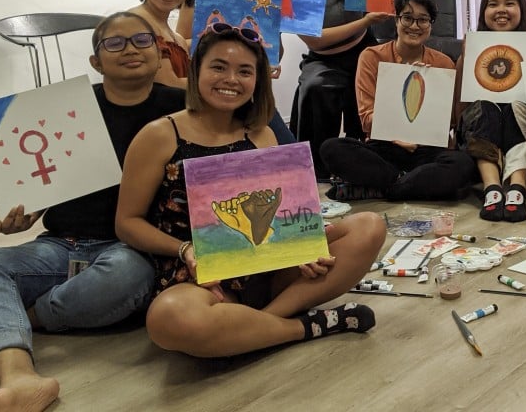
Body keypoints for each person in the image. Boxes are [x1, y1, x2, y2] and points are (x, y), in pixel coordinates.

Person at [0, 12, 187, 412]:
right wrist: (24, 210)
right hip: (60, 244)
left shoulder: (183, 109)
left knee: (129, 276)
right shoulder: (61, 108)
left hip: (129, 249)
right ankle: (18, 376)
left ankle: (21, 313)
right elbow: (38, 183)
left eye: (142, 41)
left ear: (160, 53)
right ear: (95, 61)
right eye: (114, 43)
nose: (130, 49)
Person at [115, 24, 387, 356]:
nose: (231, 79)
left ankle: (253, 327)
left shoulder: (260, 134)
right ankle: (304, 327)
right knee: (168, 318)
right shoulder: (159, 135)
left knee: (369, 226)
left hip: (266, 266)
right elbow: (127, 222)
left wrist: (301, 247)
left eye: (245, 71)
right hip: (201, 277)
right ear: (196, 69)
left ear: (257, 80)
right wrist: (186, 249)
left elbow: (278, 212)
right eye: (218, 67)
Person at [319, 0, 477, 201]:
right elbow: (367, 120)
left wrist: (432, 89)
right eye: (407, 18)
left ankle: (385, 187)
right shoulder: (371, 57)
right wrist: (397, 130)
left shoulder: (443, 63)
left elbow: (449, 122)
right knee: (332, 148)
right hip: (384, 147)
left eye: (423, 20)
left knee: (464, 165)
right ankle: (410, 184)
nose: (414, 26)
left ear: (431, 25)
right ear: (396, 20)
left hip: (427, 149)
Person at [288, 0, 391, 179]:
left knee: (378, 85)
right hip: (323, 58)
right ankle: (318, 169)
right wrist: (366, 21)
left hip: (363, 51)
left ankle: (371, 162)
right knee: (315, 87)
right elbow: (315, 39)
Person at [457, 0, 526, 222]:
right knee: (487, 106)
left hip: (522, 124)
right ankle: (492, 188)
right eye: (493, 4)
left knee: (517, 105)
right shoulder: (470, 48)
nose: (501, 10)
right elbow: (459, 102)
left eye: (509, 3)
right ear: (484, 11)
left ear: (521, 9)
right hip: (482, 125)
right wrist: (465, 59)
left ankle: (516, 187)